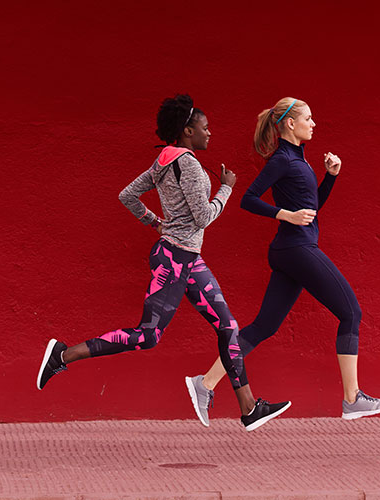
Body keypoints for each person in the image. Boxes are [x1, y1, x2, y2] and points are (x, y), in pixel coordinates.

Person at [36, 94, 290, 431]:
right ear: (187, 130)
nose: (209, 133)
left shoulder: (163, 160)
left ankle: (248, 408)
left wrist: (156, 222)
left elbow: (127, 195)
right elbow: (202, 217)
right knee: (148, 336)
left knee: (228, 327)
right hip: (173, 261)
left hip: (187, 259)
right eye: (204, 127)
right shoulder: (188, 164)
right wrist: (226, 189)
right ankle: (63, 355)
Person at [185, 97, 380, 425]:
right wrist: (285, 214)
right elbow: (248, 199)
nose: (314, 124)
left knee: (264, 326)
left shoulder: (299, 161)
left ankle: (205, 382)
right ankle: (352, 399)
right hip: (296, 249)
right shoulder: (281, 160)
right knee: (351, 312)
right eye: (308, 119)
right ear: (290, 124)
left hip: (292, 248)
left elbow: (310, 211)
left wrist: (330, 177)